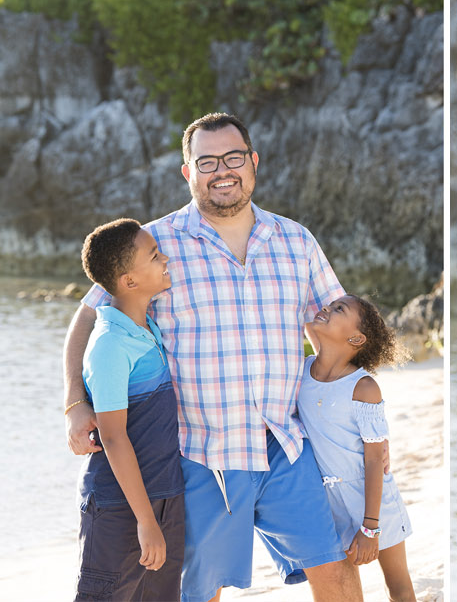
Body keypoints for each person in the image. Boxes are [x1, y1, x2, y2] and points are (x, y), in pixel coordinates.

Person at [61, 113, 363, 602]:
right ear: (187, 172)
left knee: (335, 566)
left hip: (284, 443)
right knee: (201, 590)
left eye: (233, 157)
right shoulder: (154, 246)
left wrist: (364, 416)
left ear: (253, 162)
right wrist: (77, 402)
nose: (223, 170)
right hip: (201, 452)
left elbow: (342, 332)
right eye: (207, 161)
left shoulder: (296, 241)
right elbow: (88, 322)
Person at [73, 219, 185, 601]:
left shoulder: (145, 328)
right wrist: (145, 521)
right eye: (154, 256)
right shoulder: (109, 345)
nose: (165, 258)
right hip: (120, 507)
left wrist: (158, 515)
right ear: (129, 281)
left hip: (163, 495)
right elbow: (113, 437)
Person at [299, 294, 417, 602]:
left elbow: (375, 461)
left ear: (356, 337)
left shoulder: (364, 387)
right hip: (329, 504)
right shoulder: (300, 373)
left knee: (399, 586)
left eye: (339, 309)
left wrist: (370, 528)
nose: (326, 309)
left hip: (375, 505)